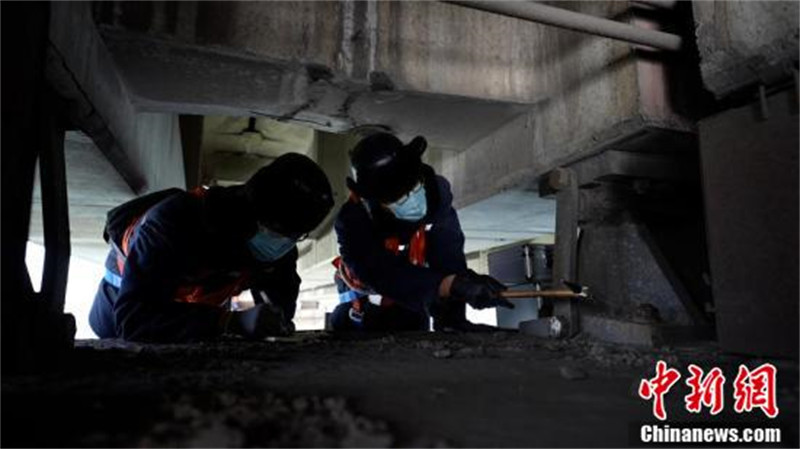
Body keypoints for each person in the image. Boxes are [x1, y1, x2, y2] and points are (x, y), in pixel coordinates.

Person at [89, 153, 334, 342]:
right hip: (119, 315)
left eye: (295, 236)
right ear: (249, 213)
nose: (284, 244)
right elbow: (135, 320)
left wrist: (276, 317)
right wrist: (229, 322)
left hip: (200, 313)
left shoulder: (278, 240)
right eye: (279, 232)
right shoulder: (172, 223)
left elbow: (280, 291)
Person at [330, 132, 514, 332]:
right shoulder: (353, 220)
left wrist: (457, 306)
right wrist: (448, 285)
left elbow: (448, 254)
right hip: (366, 301)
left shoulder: (436, 194)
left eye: (413, 187)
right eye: (398, 198)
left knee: (417, 329)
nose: (411, 200)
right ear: (375, 201)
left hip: (417, 291)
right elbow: (379, 271)